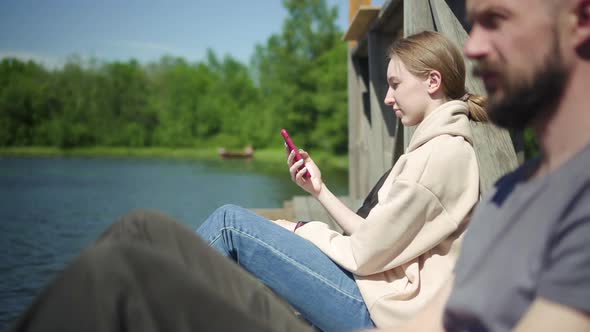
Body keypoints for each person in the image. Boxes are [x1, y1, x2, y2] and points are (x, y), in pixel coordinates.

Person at [11, 31, 485, 332]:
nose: (386, 97)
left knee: (229, 225)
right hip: (375, 293)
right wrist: (319, 192)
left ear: (432, 81)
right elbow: (378, 237)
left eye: (395, 84)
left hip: (377, 314)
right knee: (141, 228)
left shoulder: (440, 155)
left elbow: (364, 255)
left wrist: (301, 230)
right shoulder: (432, 150)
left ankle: (141, 305)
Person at [378, 0, 590, 330]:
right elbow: (430, 322)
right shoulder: (505, 193)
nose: (473, 47)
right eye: (473, 24)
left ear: (581, 19)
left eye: (496, 20)